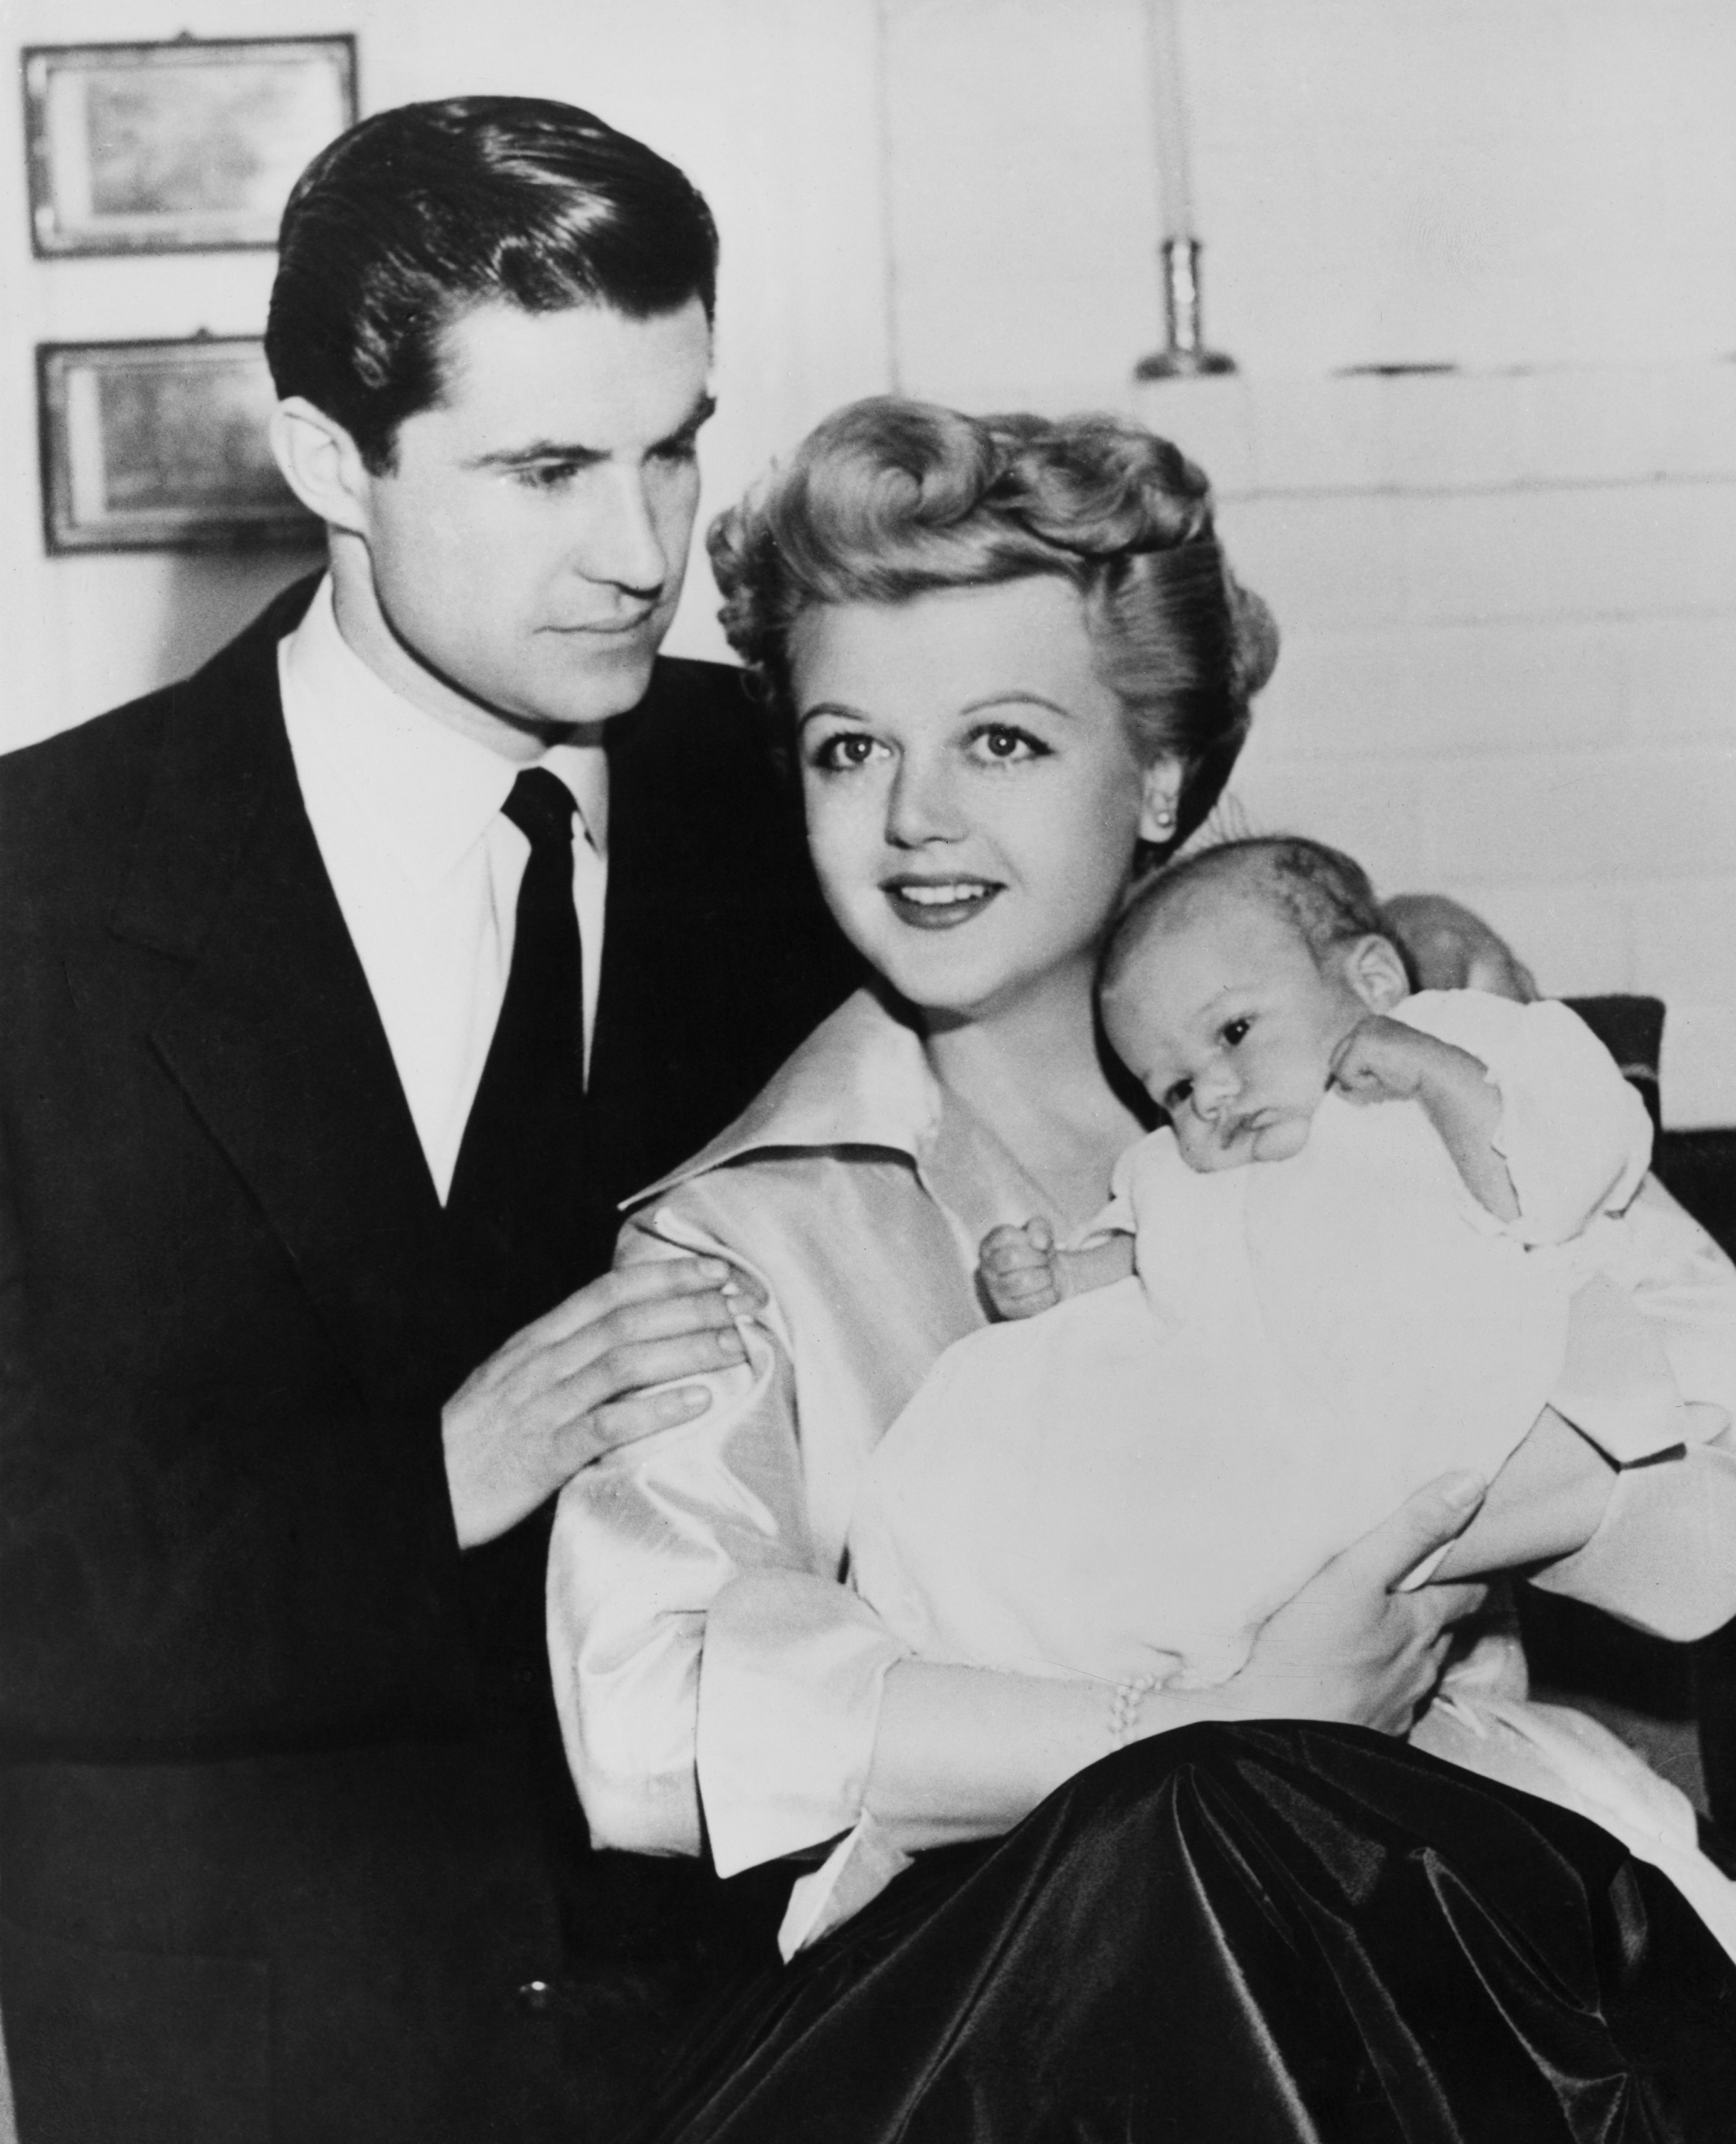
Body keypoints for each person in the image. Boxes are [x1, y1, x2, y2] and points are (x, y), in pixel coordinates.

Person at [548, 397, 1736, 2140]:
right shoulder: (740, 1226)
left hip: (1451, 1934)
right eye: (846, 749)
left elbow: (1703, 1415)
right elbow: (647, 1719)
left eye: (1003, 743)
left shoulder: (1353, 1072)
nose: (915, 823)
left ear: (1160, 772)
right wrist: (1185, 1720)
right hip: (1009, 2019)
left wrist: (1419, 1527)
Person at [0, 98, 857, 2144]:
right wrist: (435, 1475)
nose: (645, 548)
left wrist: (1395, 1004)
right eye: (548, 466)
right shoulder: (41, 890)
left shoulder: (808, 788)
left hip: (773, 2036)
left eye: (672, 443)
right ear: (329, 465)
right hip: (255, 2051)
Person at [847, 830, 1736, 1952]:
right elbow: (1141, 1257)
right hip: (1266, 1440)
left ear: (1369, 982)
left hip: (1434, 1394)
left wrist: (1440, 1078)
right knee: (1041, 1430)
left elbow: (1553, 1179)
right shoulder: (1185, 1172)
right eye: (1170, 1086)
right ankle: (1074, 1653)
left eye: (1231, 1034)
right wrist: (1047, 1279)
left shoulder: (1457, 1055)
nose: (1209, 1095)